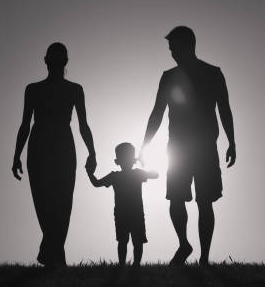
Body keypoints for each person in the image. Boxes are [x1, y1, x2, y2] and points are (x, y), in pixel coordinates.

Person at [141, 26, 236, 266]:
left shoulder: (213, 73)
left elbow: (224, 108)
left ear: (187, 46)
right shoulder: (169, 76)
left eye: (174, 47)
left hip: (205, 146)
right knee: (176, 198)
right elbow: (157, 113)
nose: (171, 52)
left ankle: (204, 257)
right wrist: (145, 145)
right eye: (170, 48)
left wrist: (232, 141)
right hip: (178, 148)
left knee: (205, 201)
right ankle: (184, 243)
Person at [11, 42, 97, 268]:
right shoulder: (33, 89)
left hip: (62, 145)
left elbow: (83, 126)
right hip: (40, 145)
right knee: (43, 200)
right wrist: (16, 155)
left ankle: (51, 255)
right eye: (54, 58)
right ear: (46, 61)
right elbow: (24, 125)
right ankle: (54, 256)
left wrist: (92, 152)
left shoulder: (75, 89)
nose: (57, 63)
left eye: (60, 59)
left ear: (64, 62)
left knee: (62, 202)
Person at [87, 142, 158, 267]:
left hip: (123, 213)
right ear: (133, 161)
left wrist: (89, 173)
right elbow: (155, 174)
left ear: (117, 161)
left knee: (125, 240)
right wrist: (145, 162)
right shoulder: (136, 173)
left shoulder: (116, 176)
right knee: (134, 241)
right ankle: (133, 265)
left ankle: (124, 265)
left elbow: (96, 183)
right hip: (134, 212)